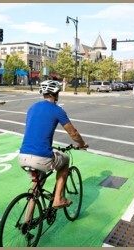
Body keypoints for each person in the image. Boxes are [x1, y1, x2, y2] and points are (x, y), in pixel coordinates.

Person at [19, 80, 88, 209]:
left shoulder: (32, 107)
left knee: (38, 183)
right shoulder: (57, 110)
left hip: (23, 156)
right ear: (55, 93)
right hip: (41, 158)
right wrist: (82, 144)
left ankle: (27, 220)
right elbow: (73, 134)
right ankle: (58, 199)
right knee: (65, 160)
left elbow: (37, 132)